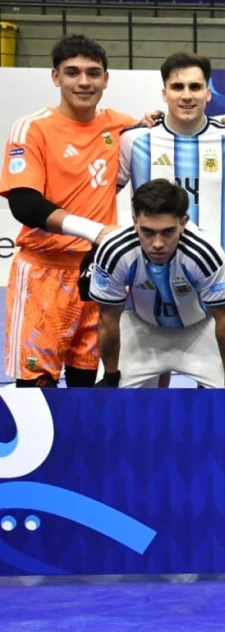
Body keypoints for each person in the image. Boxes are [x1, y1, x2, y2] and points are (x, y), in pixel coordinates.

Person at [0, 35, 138, 387]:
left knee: (85, 381)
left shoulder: (118, 125)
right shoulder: (32, 128)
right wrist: (95, 231)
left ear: (106, 79)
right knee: (36, 385)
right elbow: (24, 204)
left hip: (96, 276)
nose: (84, 82)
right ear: (55, 77)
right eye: (72, 72)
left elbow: (165, 129)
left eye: (93, 73)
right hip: (43, 275)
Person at [119, 53, 225, 282]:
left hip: (217, 288)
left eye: (195, 87)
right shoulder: (134, 142)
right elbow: (102, 194)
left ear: (208, 93)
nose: (186, 96)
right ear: (164, 94)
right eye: (177, 87)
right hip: (147, 288)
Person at [89, 180, 225, 389]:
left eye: (168, 232)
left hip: (200, 329)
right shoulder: (114, 251)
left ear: (183, 222)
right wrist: (110, 376)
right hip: (141, 328)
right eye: (148, 232)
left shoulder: (205, 254)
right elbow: (108, 319)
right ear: (135, 220)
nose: (158, 243)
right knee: (112, 406)